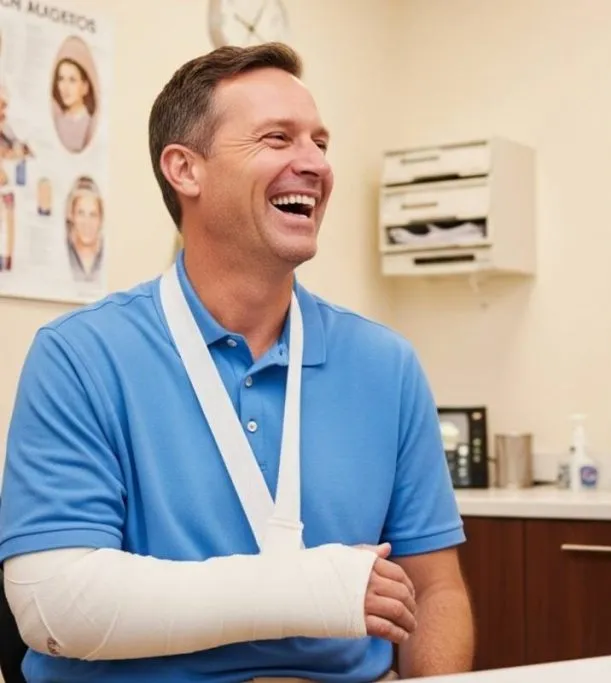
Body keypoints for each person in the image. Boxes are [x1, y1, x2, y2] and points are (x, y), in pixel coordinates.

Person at [0, 42, 474, 682]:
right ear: (185, 170)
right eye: (277, 139)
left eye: (320, 142)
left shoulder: (385, 365)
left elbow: (436, 590)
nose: (314, 164)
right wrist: (308, 588)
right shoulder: (81, 356)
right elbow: (57, 606)